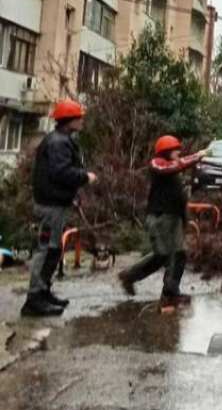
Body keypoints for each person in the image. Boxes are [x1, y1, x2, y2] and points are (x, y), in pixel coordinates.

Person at [23, 99, 97, 317]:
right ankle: (34, 299)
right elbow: (61, 173)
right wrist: (85, 177)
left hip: (55, 202)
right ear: (69, 120)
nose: (82, 120)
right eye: (78, 117)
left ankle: (43, 292)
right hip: (50, 205)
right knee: (46, 250)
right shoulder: (59, 143)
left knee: (53, 250)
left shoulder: (62, 140)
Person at [118, 136, 210, 305]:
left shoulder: (174, 169)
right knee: (166, 255)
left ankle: (168, 291)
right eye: (176, 150)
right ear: (166, 151)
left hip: (173, 217)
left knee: (176, 254)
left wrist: (184, 218)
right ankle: (133, 277)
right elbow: (171, 166)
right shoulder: (157, 163)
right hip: (160, 217)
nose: (179, 153)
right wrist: (196, 156)